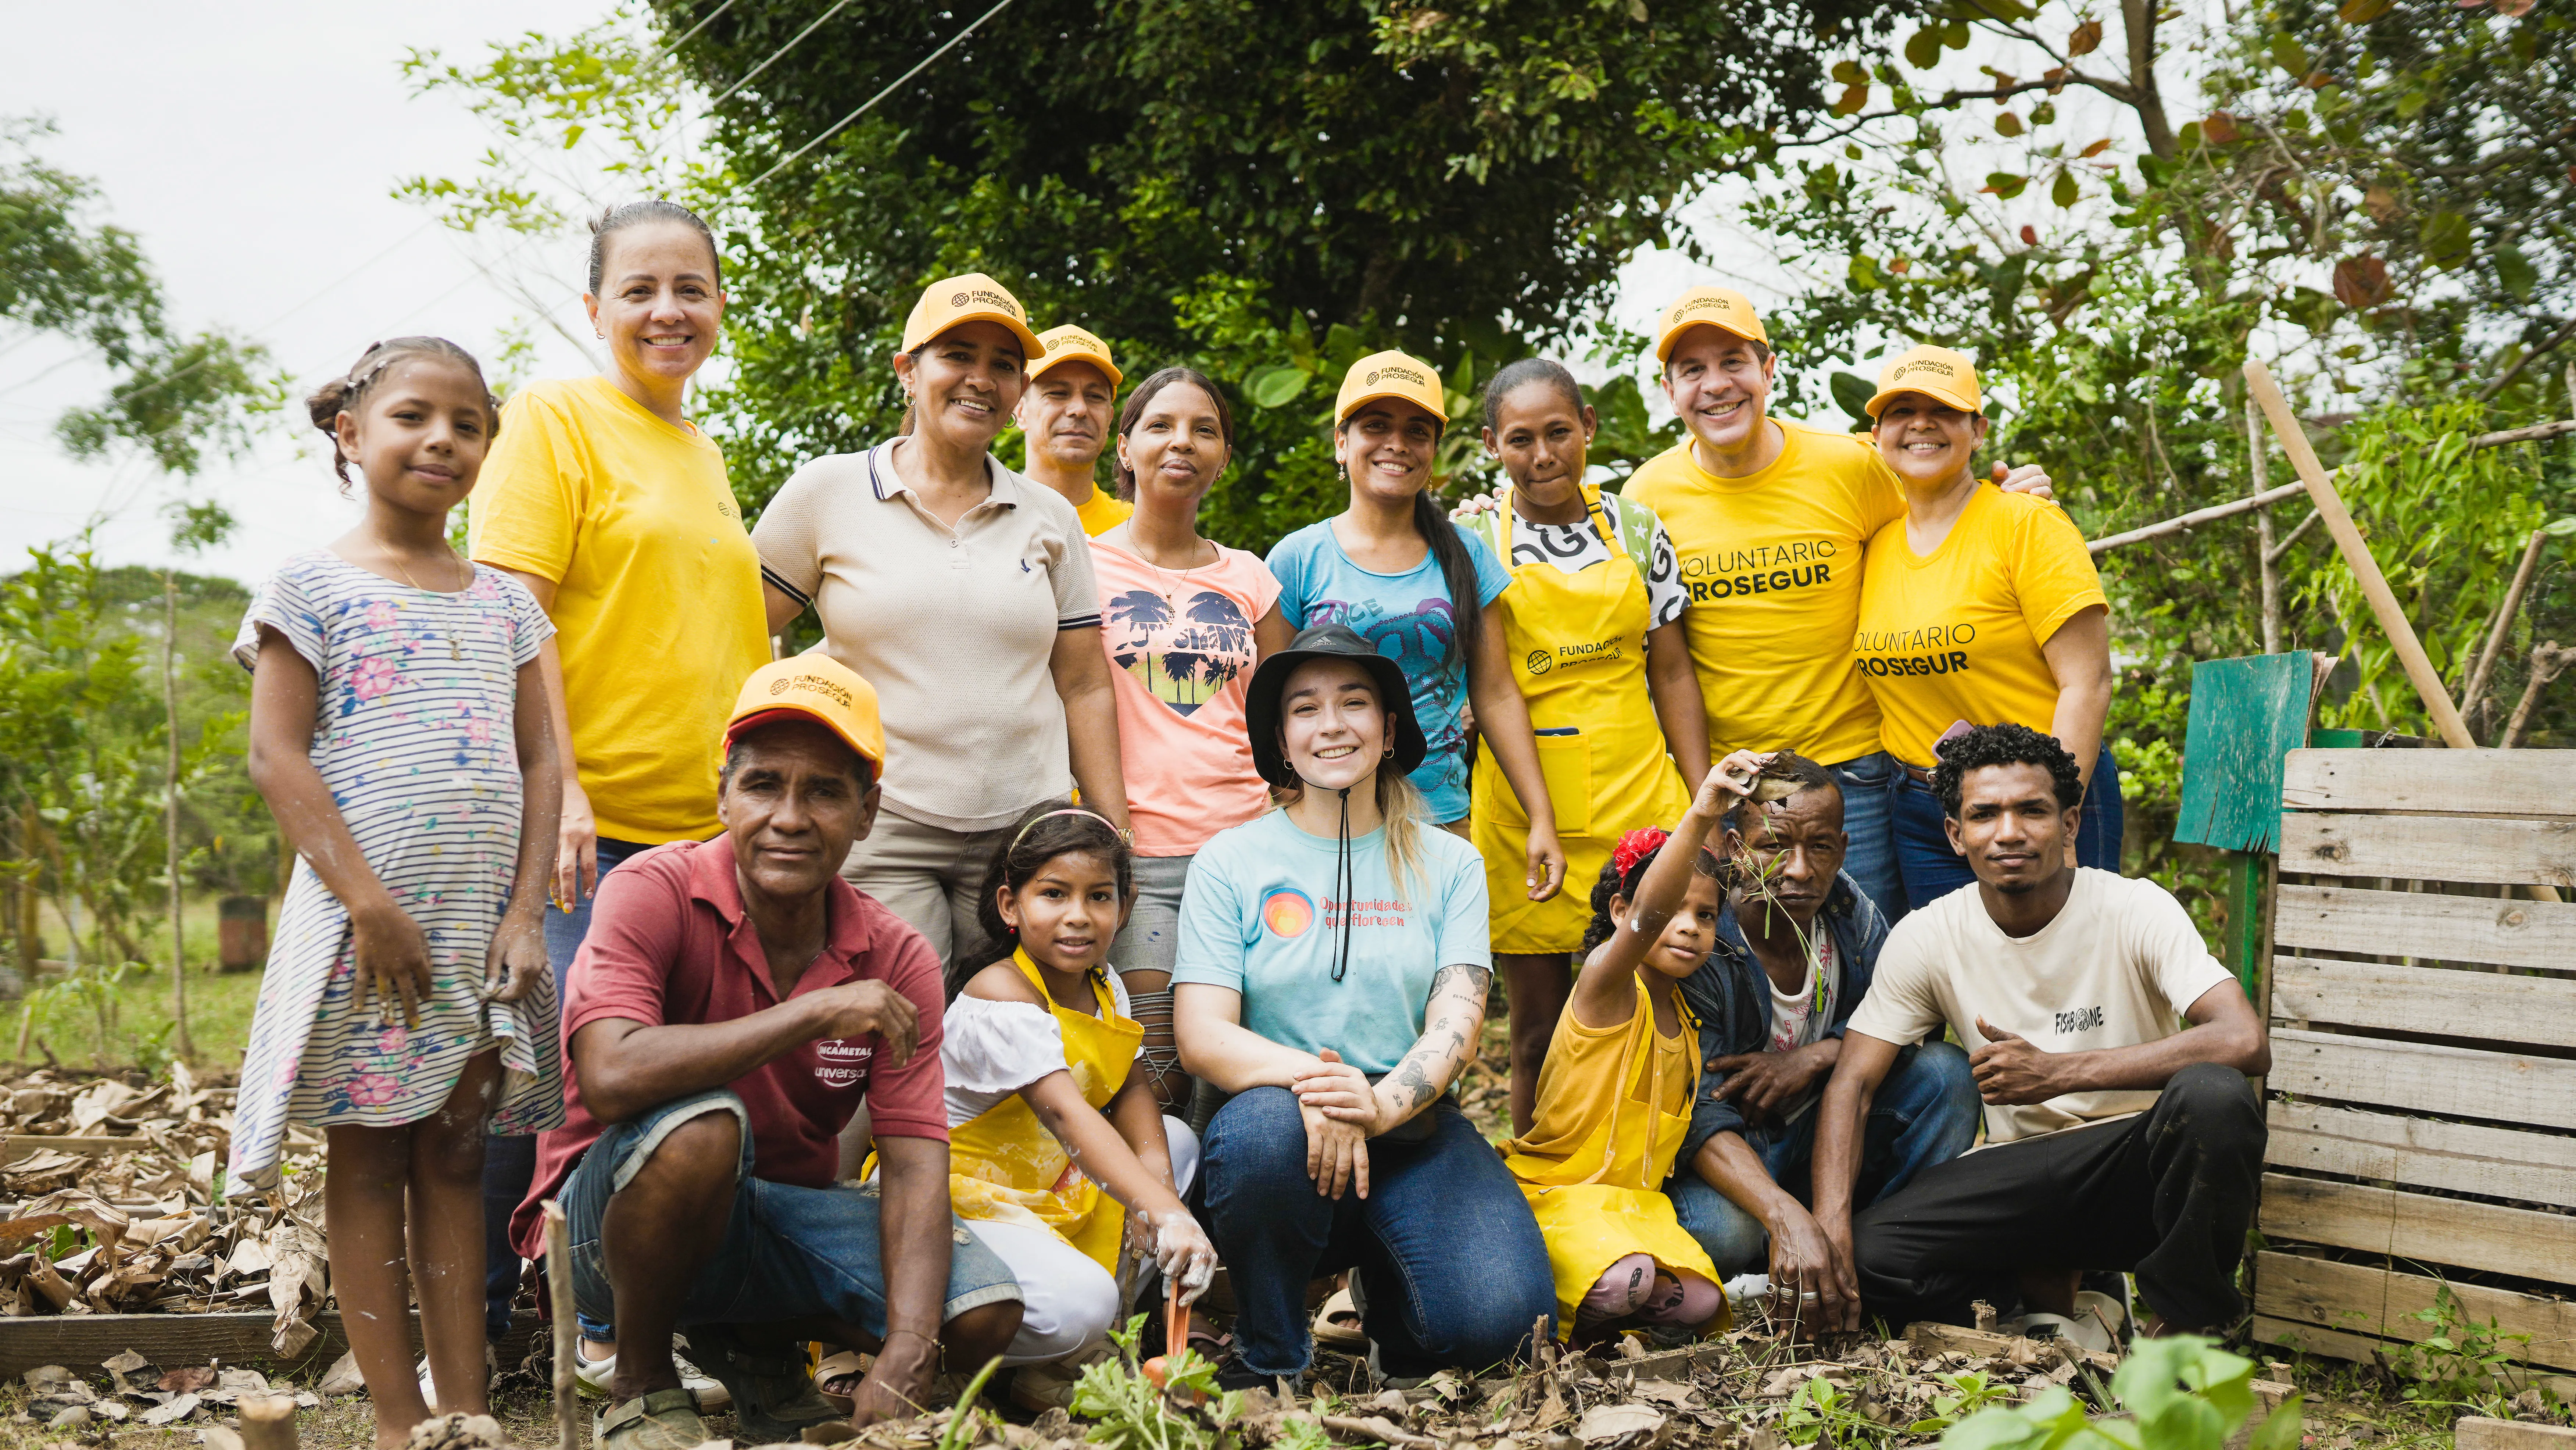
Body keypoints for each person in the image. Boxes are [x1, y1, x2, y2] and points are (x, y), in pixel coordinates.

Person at [514, 658, 1023, 1449]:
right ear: (723, 795)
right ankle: (641, 1383)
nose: (789, 816)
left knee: (981, 1312)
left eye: (824, 791)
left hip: (766, 1217)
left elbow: (915, 1161)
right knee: (702, 1128)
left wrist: (908, 1345)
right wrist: (811, 1012)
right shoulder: (654, 888)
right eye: (763, 785)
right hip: (601, 1225)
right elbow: (610, 1075)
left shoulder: (896, 955)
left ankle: (756, 1351)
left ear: (867, 812)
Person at [232, 338, 562, 1449]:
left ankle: (465, 1408)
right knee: (370, 1152)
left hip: (476, 928)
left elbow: (541, 762)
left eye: (468, 425)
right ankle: (392, 1415)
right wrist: (369, 905)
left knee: (459, 1151)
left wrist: (526, 913)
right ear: (351, 433)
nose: (442, 441)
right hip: (365, 927)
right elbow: (277, 756)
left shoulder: (508, 604)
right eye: (414, 416)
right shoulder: (310, 586)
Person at [467, 199, 769, 1369]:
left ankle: (614, 1322)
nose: (667, 310)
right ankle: (487, 1330)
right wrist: (564, 794)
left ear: (720, 306)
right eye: (639, 289)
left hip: (702, 838)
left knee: (657, 1089)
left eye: (690, 288)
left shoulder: (702, 452)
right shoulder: (556, 418)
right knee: (547, 1075)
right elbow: (510, 612)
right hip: (590, 831)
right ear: (595, 309)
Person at [1174, 624, 1556, 1389]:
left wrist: (1375, 1106)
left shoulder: (1451, 861)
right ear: (1282, 743)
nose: (1332, 724)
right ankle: (1271, 1352)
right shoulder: (1230, 860)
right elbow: (1203, 1035)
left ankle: (1394, 1313)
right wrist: (1325, 1088)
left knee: (1502, 1325)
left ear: (1388, 732)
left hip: (1410, 1127)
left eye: (1354, 703)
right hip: (1276, 1129)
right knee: (1262, 1138)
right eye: (1305, 708)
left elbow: (1457, 1022)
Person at [1808, 724, 2268, 1343]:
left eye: (2032, 810)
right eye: (1984, 814)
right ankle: (2049, 1306)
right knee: (1871, 1255)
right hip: (2024, 1174)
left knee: (2215, 1096)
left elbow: (2243, 1040)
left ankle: (2178, 1334)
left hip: (2139, 1166)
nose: (2008, 832)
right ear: (1955, 834)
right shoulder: (1928, 935)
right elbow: (1854, 1085)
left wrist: (2059, 1072)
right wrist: (1829, 1228)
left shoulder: (2134, 908)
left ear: (2069, 824)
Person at [1621, 287, 2053, 923]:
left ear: (1768, 371)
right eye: (1693, 370)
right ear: (1669, 389)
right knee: (1747, 964)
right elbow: (1667, 662)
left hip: (1856, 774)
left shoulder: (1849, 466)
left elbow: (1940, 525)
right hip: (1734, 781)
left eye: (1733, 362)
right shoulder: (1647, 496)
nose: (1715, 385)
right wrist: (1701, 796)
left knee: (1873, 953)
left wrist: (2013, 499)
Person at [754, 273, 1132, 976]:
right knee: (897, 1019)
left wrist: (1111, 829)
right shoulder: (827, 492)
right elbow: (741, 634)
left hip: (1027, 834)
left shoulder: (1050, 517)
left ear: (1018, 390)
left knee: (1021, 1035)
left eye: (1003, 364)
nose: (980, 379)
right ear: (907, 370)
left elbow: (1083, 683)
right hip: (883, 828)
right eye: (958, 355)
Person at [896, 803, 1217, 1410]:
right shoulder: (1001, 996)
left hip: (1042, 1186)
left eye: (1099, 896)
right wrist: (1165, 1210)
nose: (1078, 915)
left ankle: (1053, 1366)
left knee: (1173, 1143)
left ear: (1125, 906)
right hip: (961, 1200)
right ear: (1009, 905)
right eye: (1053, 894)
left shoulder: (1103, 983)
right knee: (1084, 1304)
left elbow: (1128, 1085)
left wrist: (1159, 1184)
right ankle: (965, 1351)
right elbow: (1068, 1115)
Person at [1467, 358, 1711, 1133]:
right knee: (1536, 1033)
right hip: (1526, 814)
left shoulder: (1637, 530)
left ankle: (1649, 1165)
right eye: (1520, 440)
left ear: (1589, 427)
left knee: (1658, 1008)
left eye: (1558, 433)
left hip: (1640, 800)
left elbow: (1671, 672)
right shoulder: (1475, 541)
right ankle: (1537, 1180)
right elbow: (1486, 685)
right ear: (1491, 445)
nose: (1542, 456)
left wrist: (1704, 804)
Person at [1660, 752, 1978, 1329]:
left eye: (1821, 847)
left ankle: (1878, 1252)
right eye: (1774, 846)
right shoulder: (1703, 937)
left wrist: (1815, 1057)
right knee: (1724, 1232)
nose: (1801, 870)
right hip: (1732, 1157)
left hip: (1823, 1140)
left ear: (1844, 848)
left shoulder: (1850, 913)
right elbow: (1696, 1114)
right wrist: (1784, 1215)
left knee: (1946, 1075)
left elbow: (1914, 1022)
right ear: (1735, 848)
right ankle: (1783, 1250)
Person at [1266, 351, 1567, 904]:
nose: (1397, 444)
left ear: (1433, 451)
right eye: (1376, 426)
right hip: (1320, 824)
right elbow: (1267, 706)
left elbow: (1496, 694)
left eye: (1417, 431)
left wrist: (1541, 817)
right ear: (1341, 442)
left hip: (1440, 822)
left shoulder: (1467, 554)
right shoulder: (1298, 559)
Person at [1506, 757, 1766, 1344]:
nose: (1690, 927)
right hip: (1561, 1200)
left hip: (1634, 1211)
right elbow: (1648, 918)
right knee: (1629, 1281)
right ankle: (1565, 1309)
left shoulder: (1690, 1021)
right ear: (1622, 913)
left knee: (1702, 1303)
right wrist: (1701, 816)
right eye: (1675, 911)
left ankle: (1613, 1311)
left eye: (1706, 915)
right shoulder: (1606, 987)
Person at [1851, 347, 2118, 913]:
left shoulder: (2027, 522)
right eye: (1902, 412)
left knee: (2063, 960)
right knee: (1956, 964)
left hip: (2037, 794)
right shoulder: (1875, 544)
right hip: (1925, 810)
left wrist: (2056, 815)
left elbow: (2088, 683)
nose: (1921, 424)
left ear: (1978, 431)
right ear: (1876, 435)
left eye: (1943, 411)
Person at [1090, 367, 1291, 1107]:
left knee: (1234, 1072)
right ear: (1125, 447)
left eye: (1204, 430)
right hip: (1136, 856)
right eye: (1160, 425)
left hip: (1246, 856)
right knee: (1158, 1071)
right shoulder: (1082, 567)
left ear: (1224, 457)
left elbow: (1284, 720)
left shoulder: (1252, 578)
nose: (1182, 442)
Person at [1017, 324, 1133, 535]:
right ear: (1021, 412)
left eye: (1095, 396)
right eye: (1058, 393)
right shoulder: (983, 517)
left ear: (1109, 418)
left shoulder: (1135, 530)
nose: (1080, 410)